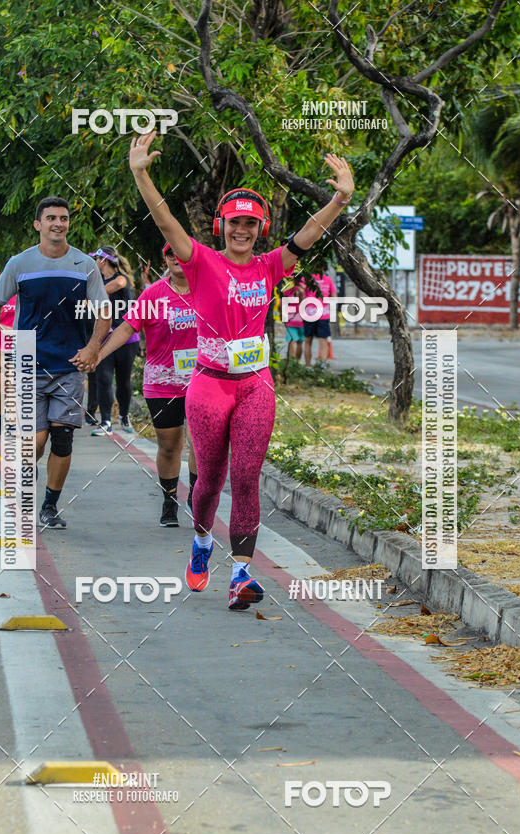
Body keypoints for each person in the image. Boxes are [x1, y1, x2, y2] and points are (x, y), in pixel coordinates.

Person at [128, 132, 354, 610]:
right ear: (221, 226)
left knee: (248, 476)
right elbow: (167, 223)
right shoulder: (202, 261)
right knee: (210, 478)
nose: (242, 230)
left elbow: (309, 234)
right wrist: (141, 174)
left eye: (251, 224)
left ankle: (241, 574)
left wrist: (340, 198)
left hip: (255, 385)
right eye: (235, 223)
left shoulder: (271, 266)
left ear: (261, 228)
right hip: (208, 385)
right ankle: (203, 541)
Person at [0, 196, 110, 528]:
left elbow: (104, 312)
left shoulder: (85, 265)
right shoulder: (20, 264)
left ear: (69, 224)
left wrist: (93, 347)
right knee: (35, 442)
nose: (58, 223)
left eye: (64, 218)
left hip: (69, 365)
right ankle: (24, 479)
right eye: (51, 218)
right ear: (38, 224)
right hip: (28, 361)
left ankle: (49, 507)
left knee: (63, 437)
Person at [93, 242, 198, 527]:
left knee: (200, 444)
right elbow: (127, 327)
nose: (176, 258)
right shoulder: (154, 294)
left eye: (181, 252)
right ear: (165, 258)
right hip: (162, 382)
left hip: (203, 380)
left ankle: (198, 498)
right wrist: (98, 353)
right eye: (169, 253)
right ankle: (170, 500)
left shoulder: (207, 289)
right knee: (169, 445)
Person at [88, 245, 139, 436]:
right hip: (104, 339)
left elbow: (111, 288)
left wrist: (87, 294)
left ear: (103, 260)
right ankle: (106, 422)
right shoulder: (97, 280)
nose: (94, 262)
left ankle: (124, 418)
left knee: (123, 381)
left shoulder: (120, 279)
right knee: (103, 379)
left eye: (96, 259)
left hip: (126, 339)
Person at [0, 294, 17, 436]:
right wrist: (3, 328)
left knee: (11, 387)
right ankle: (0, 414)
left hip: (19, 347)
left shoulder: (25, 294)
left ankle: (12, 422)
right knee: (1, 389)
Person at [303, 272, 337, 366]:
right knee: (323, 341)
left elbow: (300, 292)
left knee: (308, 341)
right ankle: (322, 366)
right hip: (323, 314)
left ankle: (308, 366)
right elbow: (334, 297)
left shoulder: (306, 277)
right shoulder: (327, 279)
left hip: (309, 313)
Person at [284, 275, 305, 362]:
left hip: (291, 320)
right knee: (300, 342)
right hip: (302, 320)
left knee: (291, 341)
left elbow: (282, 305)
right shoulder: (305, 292)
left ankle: (292, 362)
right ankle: (297, 362)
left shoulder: (288, 292)